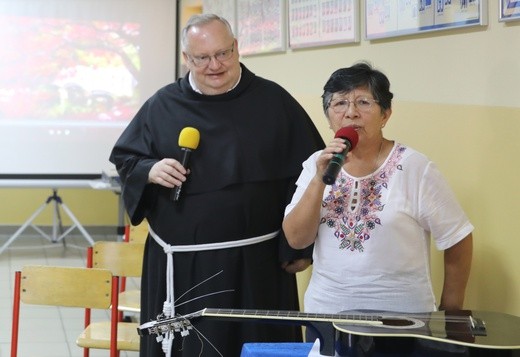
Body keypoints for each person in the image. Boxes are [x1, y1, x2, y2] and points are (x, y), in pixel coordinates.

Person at [109, 13, 325, 357]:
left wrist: (297, 248)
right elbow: (127, 159)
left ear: (237, 48)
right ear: (186, 59)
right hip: (184, 269)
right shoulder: (162, 105)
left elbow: (308, 180)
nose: (215, 65)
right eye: (202, 58)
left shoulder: (274, 102)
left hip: (257, 267)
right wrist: (150, 170)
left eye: (223, 53)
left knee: (257, 347)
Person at [283, 62, 473, 354]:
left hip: (403, 323)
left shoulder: (415, 167)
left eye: (363, 102)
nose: (351, 112)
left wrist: (449, 314)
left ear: (386, 114)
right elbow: (297, 239)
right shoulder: (315, 165)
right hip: (327, 318)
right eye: (340, 103)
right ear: (328, 116)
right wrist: (319, 181)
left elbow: (458, 238)